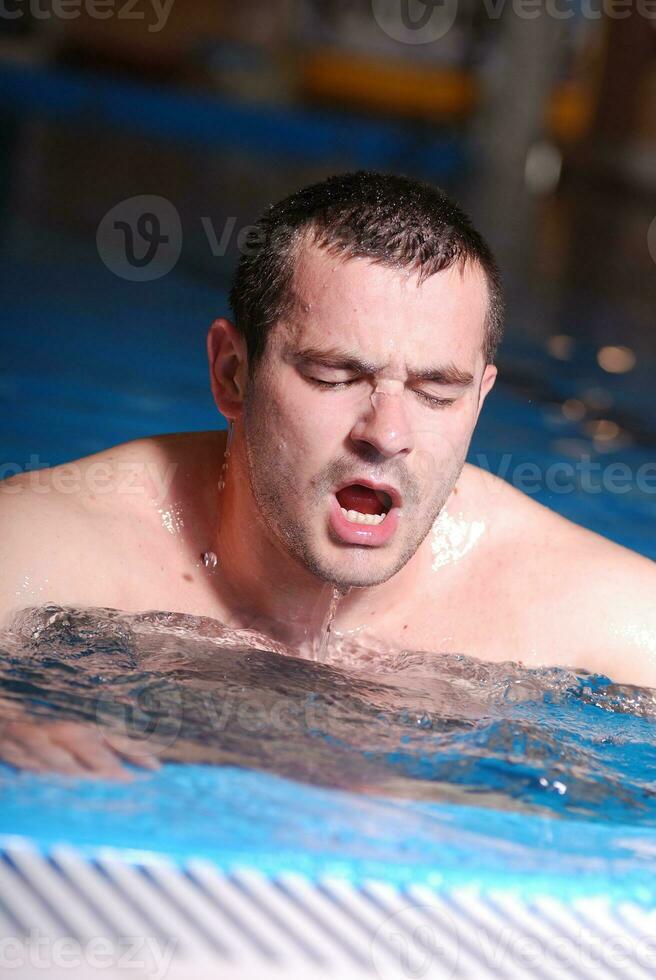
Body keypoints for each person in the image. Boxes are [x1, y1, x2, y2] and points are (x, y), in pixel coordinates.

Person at [1, 171, 655, 776]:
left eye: (436, 390)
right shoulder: (66, 538)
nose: (387, 434)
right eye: (333, 375)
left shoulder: (580, 601)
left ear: (480, 400)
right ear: (232, 372)